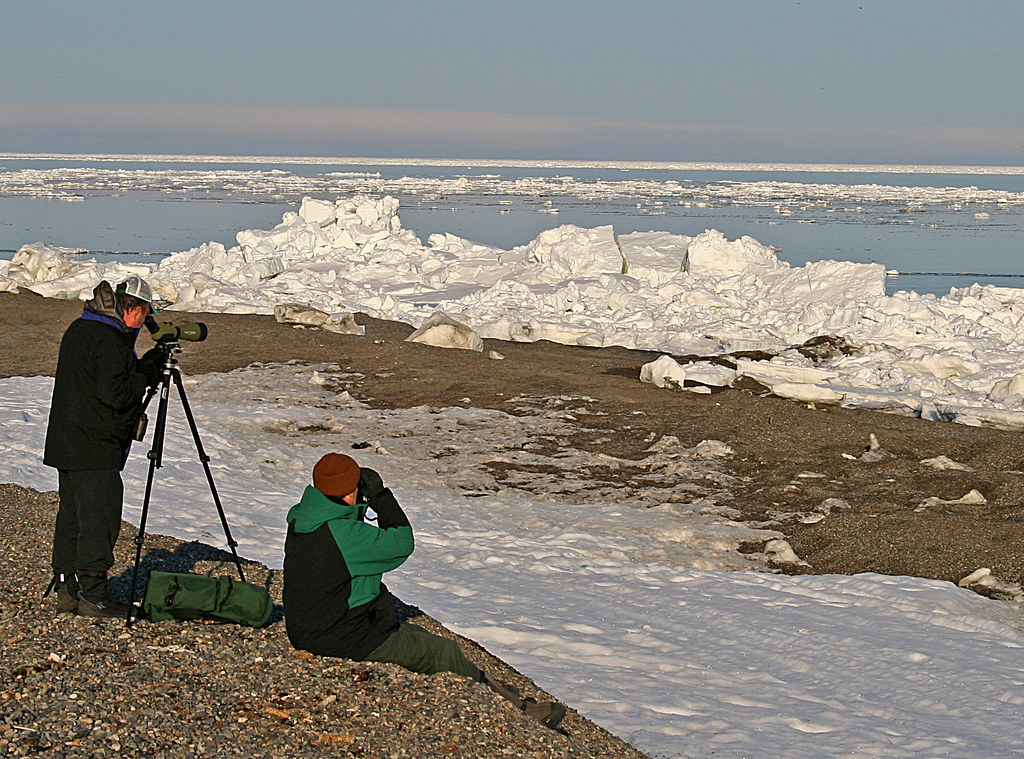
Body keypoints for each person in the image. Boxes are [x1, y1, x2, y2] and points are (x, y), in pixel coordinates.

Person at [283, 453, 566, 729]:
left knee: (419, 636)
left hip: (316, 625)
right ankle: (520, 711)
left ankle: (498, 690)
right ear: (349, 491)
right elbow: (401, 542)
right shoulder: (343, 534)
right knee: (441, 651)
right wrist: (380, 497)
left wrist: (354, 501)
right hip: (339, 636)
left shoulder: (305, 518)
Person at [43, 275, 164, 617]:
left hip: (67, 442)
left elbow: (99, 380)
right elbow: (117, 394)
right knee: (99, 519)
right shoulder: (109, 340)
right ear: (134, 309)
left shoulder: (81, 328)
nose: (145, 322)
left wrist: (138, 367)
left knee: (72, 516)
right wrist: (146, 373)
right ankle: (94, 596)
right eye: (145, 314)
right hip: (94, 446)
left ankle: (68, 589)